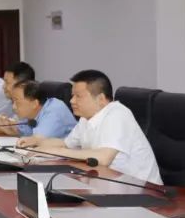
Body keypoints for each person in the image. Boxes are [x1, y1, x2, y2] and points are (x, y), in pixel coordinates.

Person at [19, 70, 161, 183]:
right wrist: (35, 144)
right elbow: (65, 144)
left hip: (143, 191)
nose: (72, 101)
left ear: (100, 99)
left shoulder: (117, 114)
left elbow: (103, 158)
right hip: (109, 182)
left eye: (78, 96)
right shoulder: (86, 118)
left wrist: (56, 151)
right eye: (72, 96)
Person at [11, 81, 77, 139]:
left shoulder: (54, 111)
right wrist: (8, 128)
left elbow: (36, 140)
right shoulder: (32, 114)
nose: (13, 107)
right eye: (13, 101)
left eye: (17, 102)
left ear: (34, 104)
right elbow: (23, 131)